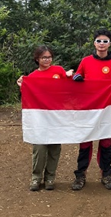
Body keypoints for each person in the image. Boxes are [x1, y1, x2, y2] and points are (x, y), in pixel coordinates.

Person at [71, 28, 111, 191]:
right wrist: (77, 78)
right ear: (94, 43)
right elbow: (76, 77)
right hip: (88, 108)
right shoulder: (86, 61)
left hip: (108, 108)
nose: (102, 44)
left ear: (110, 43)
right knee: (85, 142)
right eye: (99, 41)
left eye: (105, 41)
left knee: (106, 142)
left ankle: (106, 174)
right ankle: (80, 175)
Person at [17, 45, 73, 191]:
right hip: (40, 118)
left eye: (49, 57)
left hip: (56, 116)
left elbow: (68, 89)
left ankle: (50, 178)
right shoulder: (33, 76)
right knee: (39, 148)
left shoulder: (58, 71)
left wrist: (70, 76)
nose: (47, 60)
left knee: (55, 148)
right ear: (37, 59)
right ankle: (36, 178)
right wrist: (22, 86)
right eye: (44, 57)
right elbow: (29, 96)